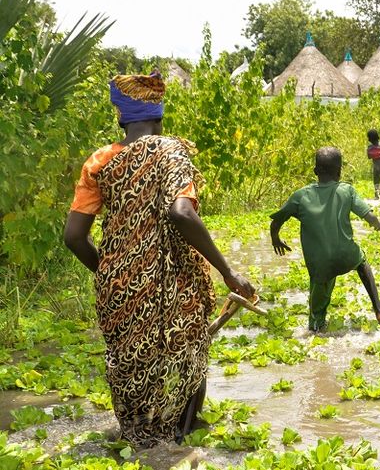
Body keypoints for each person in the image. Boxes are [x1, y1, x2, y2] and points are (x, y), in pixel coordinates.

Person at [63, 72, 255, 447]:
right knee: (187, 352)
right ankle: (180, 438)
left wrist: (111, 271)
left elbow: (73, 237)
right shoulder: (172, 152)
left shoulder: (100, 161)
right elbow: (181, 213)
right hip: (175, 279)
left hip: (119, 284)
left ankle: (138, 437)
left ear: (121, 116)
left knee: (129, 361)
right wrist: (227, 271)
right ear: (160, 116)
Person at [270, 147, 380, 331]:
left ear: (315, 172)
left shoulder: (300, 196)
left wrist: (275, 238)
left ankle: (317, 326)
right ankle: (379, 309)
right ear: (339, 172)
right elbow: (369, 216)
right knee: (362, 262)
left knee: (317, 313)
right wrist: (378, 224)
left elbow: (277, 220)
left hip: (320, 264)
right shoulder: (346, 190)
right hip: (346, 254)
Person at [366, 129, 380, 200]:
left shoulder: (370, 147)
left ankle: (377, 194)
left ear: (370, 139)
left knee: (376, 179)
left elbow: (369, 156)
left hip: (377, 167)